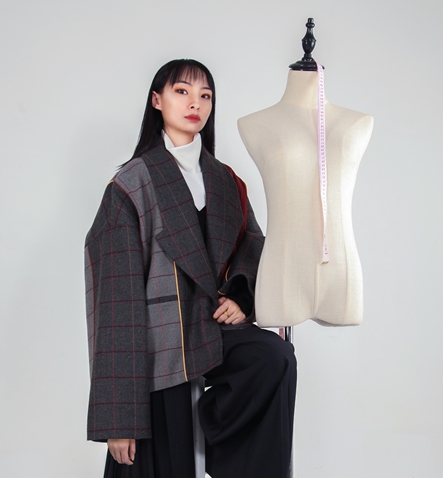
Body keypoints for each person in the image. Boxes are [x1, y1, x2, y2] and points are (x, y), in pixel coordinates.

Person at [85, 59, 297, 478]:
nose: (195, 103)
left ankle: (215, 433)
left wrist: (241, 295)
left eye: (205, 95)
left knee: (275, 357)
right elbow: (117, 305)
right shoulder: (131, 185)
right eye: (182, 91)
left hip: (211, 327)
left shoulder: (225, 179)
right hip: (158, 339)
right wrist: (120, 419)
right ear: (156, 100)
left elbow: (253, 244)